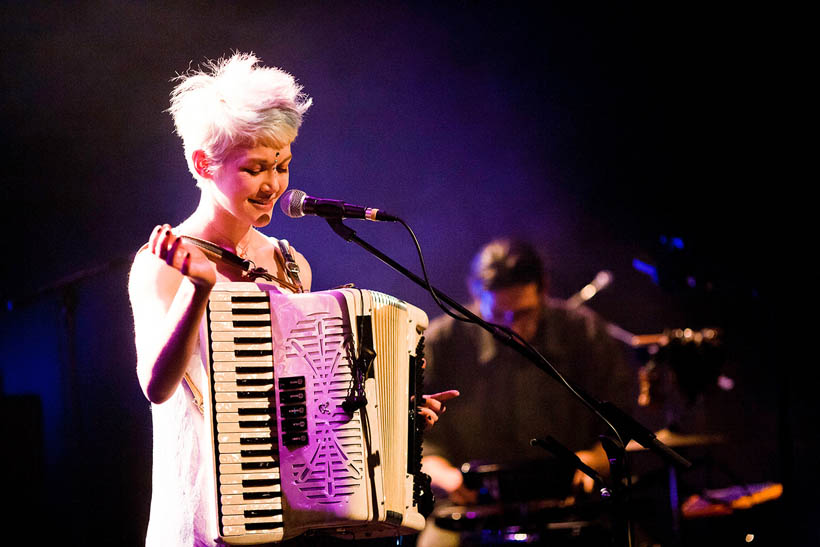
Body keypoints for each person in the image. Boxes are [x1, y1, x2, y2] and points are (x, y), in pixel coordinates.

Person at [128, 52, 457, 547]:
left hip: (286, 517)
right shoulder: (163, 261)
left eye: (282, 165)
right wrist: (198, 288)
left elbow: (302, 396)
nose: (274, 185)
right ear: (203, 164)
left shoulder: (289, 262)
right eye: (256, 168)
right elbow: (156, 386)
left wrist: (390, 411)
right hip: (199, 517)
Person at [419, 238, 637, 545]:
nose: (512, 330)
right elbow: (417, 439)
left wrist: (594, 459)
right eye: (497, 316)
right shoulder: (442, 343)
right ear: (474, 292)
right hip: (470, 509)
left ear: (543, 288)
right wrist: (445, 476)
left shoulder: (584, 333)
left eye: (522, 315)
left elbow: (623, 423)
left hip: (573, 504)